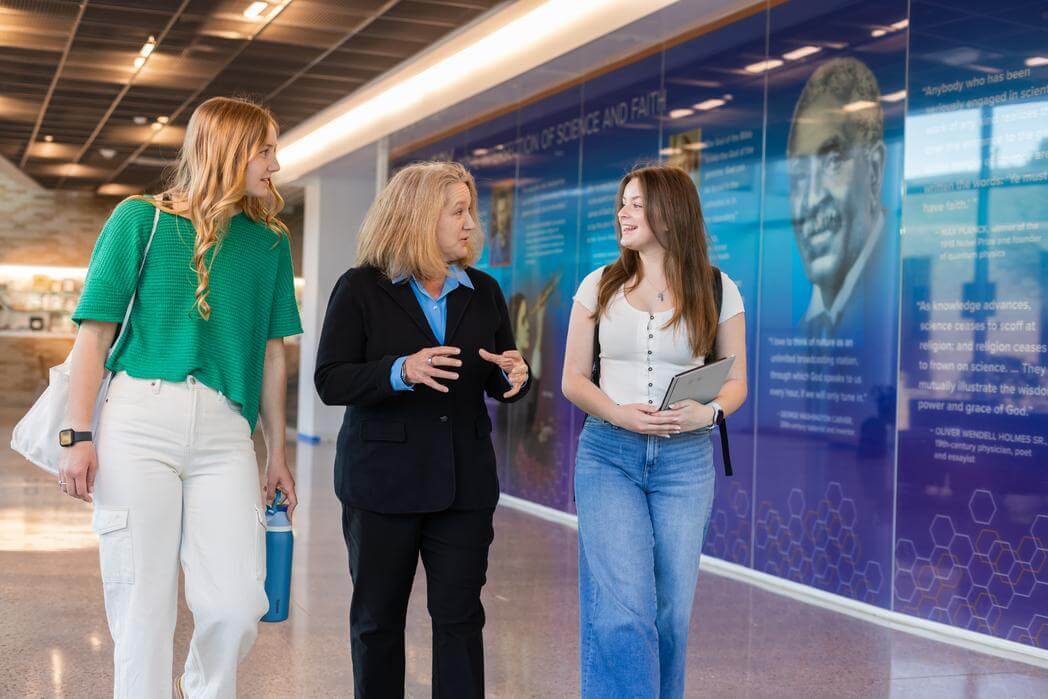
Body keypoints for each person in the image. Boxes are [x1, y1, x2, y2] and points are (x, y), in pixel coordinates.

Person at [60, 96, 302, 697]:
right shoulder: (138, 220)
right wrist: (77, 436)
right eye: (265, 151)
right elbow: (95, 335)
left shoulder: (270, 242)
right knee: (142, 606)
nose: (275, 165)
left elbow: (272, 352)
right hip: (139, 421)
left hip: (226, 432)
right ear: (227, 151)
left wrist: (276, 453)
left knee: (236, 604)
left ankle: (200, 689)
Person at [314, 160, 530, 698]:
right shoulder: (360, 288)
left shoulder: (484, 290)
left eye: (471, 211)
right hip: (380, 485)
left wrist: (517, 377)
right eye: (457, 212)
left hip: (464, 484)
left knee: (460, 620)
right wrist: (400, 371)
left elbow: (498, 375)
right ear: (417, 217)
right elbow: (330, 379)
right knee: (377, 622)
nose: (471, 224)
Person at [561, 165, 747, 698]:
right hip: (609, 454)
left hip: (686, 461)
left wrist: (708, 414)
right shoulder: (599, 285)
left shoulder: (717, 288)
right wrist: (619, 413)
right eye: (623, 202)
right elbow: (574, 379)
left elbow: (736, 383)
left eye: (637, 204)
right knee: (623, 608)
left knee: (670, 615)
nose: (623, 212)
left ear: (671, 212)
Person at [787, 56, 887, 336]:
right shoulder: (804, 328)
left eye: (832, 162)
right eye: (799, 175)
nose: (811, 200)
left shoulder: (886, 298)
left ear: (874, 171)